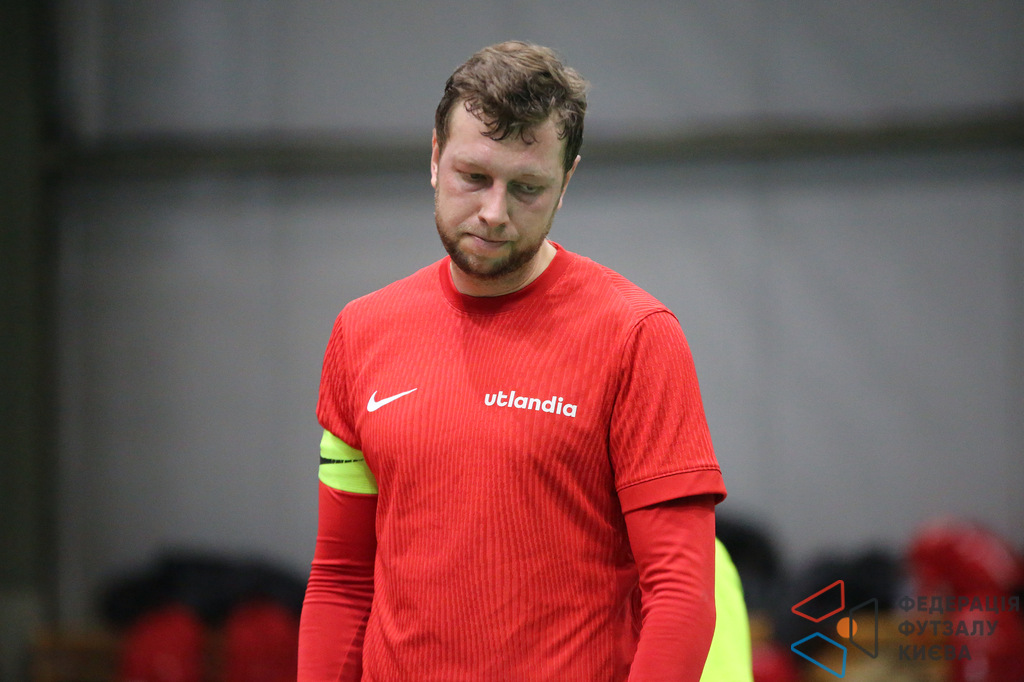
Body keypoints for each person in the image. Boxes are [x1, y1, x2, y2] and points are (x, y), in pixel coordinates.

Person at [298, 41, 727, 681]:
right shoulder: (361, 333)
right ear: (435, 157)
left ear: (566, 182)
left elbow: (681, 595)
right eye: (474, 177)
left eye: (526, 188)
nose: (494, 213)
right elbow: (342, 577)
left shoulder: (636, 336)